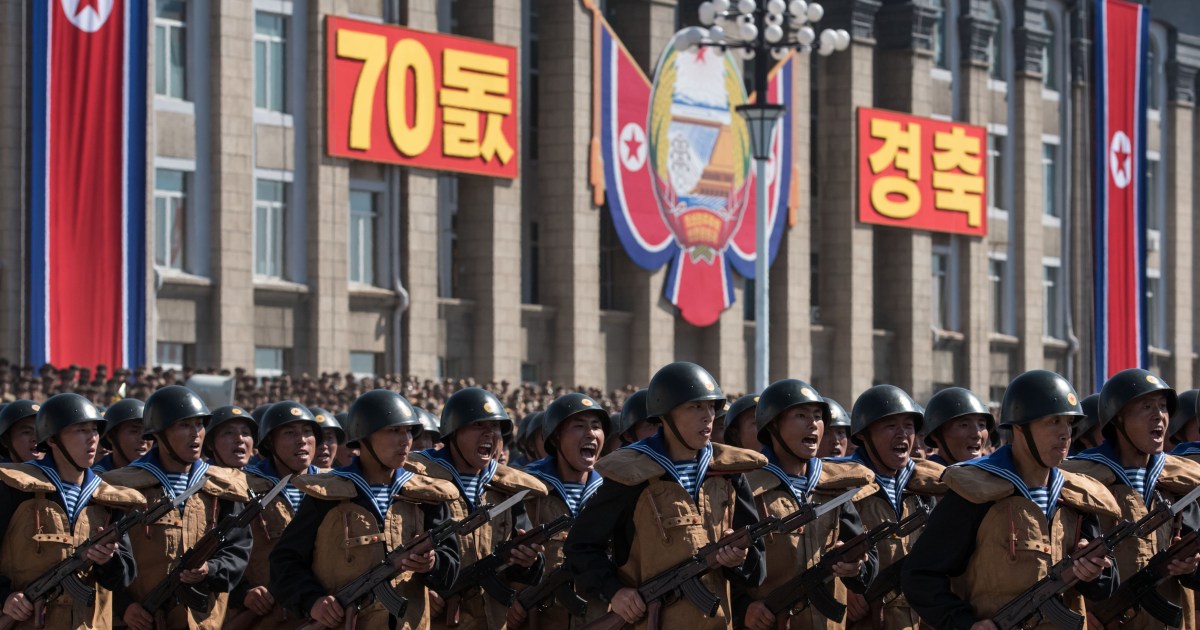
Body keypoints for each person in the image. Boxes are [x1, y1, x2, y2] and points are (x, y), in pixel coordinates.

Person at [903, 369, 1119, 629]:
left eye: (1069, 423)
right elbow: (919, 575)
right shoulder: (977, 490)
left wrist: (1094, 573)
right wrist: (965, 623)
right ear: (1019, 427)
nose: (1065, 434)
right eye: (1053, 422)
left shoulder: (1076, 495)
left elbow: (1106, 585)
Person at [565, 362, 767, 630]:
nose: (708, 416)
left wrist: (739, 560)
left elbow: (756, 568)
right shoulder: (631, 475)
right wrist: (615, 591)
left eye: (711, 407)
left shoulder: (729, 472)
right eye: (695, 407)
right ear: (666, 415)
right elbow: (581, 546)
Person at [270, 389, 460, 629]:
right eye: (393, 431)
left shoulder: (427, 495)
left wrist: (433, 564)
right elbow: (284, 562)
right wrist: (313, 600)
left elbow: (451, 563)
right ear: (364, 437)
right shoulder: (327, 494)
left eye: (408, 431)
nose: (405, 440)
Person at [103, 385, 252, 630]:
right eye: (184, 425)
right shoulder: (122, 486)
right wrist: (124, 606)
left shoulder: (223, 486)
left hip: (204, 622)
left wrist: (210, 569)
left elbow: (238, 549)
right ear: (159, 434)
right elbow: (109, 560)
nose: (195, 434)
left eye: (199, 425)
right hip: (142, 620)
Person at [1061, 368, 1200, 630]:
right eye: (1146, 406)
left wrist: (1192, 566)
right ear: (1118, 419)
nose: (1158, 415)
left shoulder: (1178, 481)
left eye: (1162, 406)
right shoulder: (1082, 482)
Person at [735, 379, 878, 630]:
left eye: (817, 416)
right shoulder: (746, 486)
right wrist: (743, 608)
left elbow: (868, 562)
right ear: (773, 425)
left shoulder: (833, 486)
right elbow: (721, 564)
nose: (813, 424)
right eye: (800, 415)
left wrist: (856, 567)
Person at [410, 387, 549, 630]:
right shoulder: (420, 483)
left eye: (495, 427)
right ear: (453, 431)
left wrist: (529, 561)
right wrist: (419, 589)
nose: (490, 434)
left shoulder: (506, 488)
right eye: (478, 425)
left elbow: (521, 558)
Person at [0, 393, 141, 629]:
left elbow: (125, 576)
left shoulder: (108, 497)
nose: (92, 439)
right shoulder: (14, 487)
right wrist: (4, 596)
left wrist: (109, 560)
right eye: (80, 430)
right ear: (53, 439)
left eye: (94, 430)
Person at [842, 384, 946, 630]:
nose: (902, 435)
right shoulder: (843, 486)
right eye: (890, 426)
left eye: (908, 426)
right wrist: (841, 590)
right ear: (864, 435)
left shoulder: (924, 486)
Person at [509, 392, 610, 629]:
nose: (590, 433)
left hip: (599, 617)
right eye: (579, 426)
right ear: (555, 438)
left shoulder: (613, 489)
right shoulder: (526, 487)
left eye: (596, 426)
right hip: (539, 618)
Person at [231, 401, 322, 628]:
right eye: (290, 433)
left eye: (307, 432)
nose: (301, 440)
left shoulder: (334, 485)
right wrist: (243, 592)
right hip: (265, 614)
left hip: (322, 612)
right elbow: (223, 549)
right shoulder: (241, 485)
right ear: (270, 442)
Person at [921, 388, 993, 466]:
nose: (977, 435)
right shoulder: (926, 477)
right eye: (964, 425)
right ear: (936, 435)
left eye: (982, 425)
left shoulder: (993, 475)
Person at [92, 398, 151, 473]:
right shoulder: (91, 481)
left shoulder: (162, 476)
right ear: (111, 437)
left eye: (147, 431)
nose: (143, 439)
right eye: (134, 431)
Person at [203, 405, 257, 470]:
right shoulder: (198, 478)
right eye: (229, 433)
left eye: (245, 433)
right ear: (210, 444)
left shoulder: (261, 479)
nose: (240, 439)